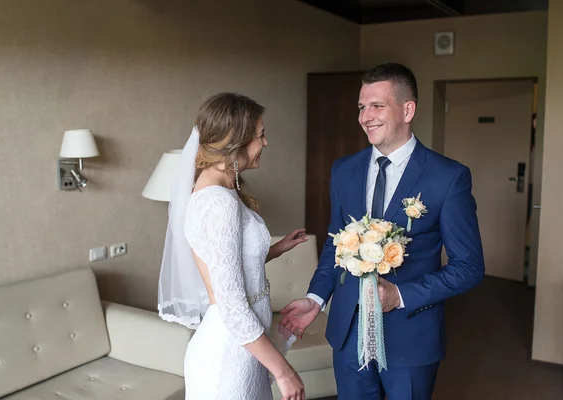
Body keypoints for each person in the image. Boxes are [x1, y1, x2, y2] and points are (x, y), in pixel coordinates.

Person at [280, 63, 485, 399]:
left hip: (410, 337)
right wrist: (317, 297)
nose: (365, 116)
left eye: (377, 106)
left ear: (408, 109)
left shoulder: (447, 177)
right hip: (347, 331)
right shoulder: (343, 170)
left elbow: (469, 267)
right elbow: (336, 244)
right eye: (362, 107)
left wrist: (401, 296)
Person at [157, 92, 308, 400]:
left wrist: (277, 249)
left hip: (244, 348)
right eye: (260, 136)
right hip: (228, 353)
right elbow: (231, 303)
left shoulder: (221, 192)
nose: (265, 143)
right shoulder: (218, 204)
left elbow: (227, 264)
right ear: (234, 143)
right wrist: (284, 371)